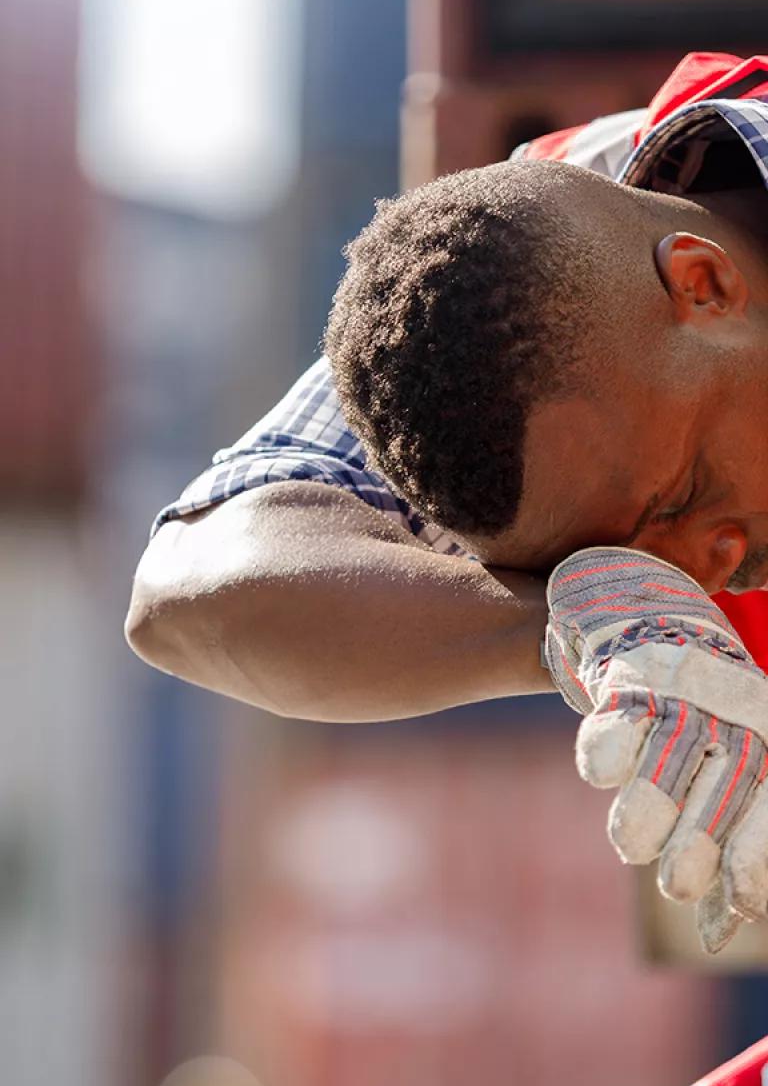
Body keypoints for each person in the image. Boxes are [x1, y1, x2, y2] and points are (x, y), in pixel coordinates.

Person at [124, 52, 768, 951]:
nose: (711, 569)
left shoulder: (599, 270)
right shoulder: (527, 280)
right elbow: (191, 592)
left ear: (705, 285)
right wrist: (593, 620)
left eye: (688, 487)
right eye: (645, 548)